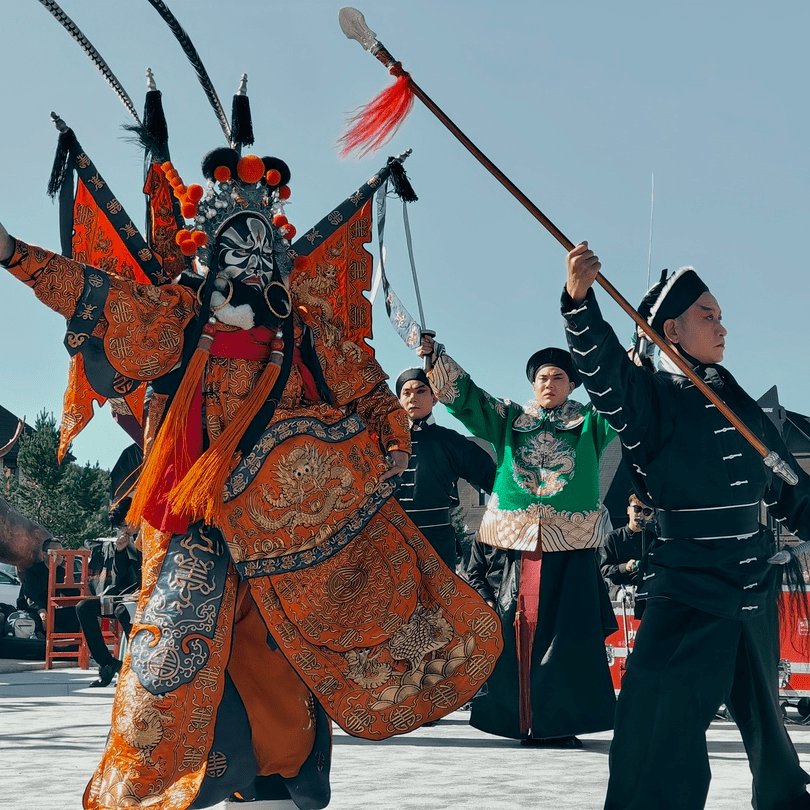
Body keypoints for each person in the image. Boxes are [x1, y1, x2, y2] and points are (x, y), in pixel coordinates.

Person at [0, 147, 501, 810]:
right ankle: (189, 767)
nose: (251, 259)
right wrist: (13, 252)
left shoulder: (305, 327)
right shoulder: (177, 315)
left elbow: (367, 387)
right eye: (237, 245)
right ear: (210, 253)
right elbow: (98, 294)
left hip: (294, 520)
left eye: (263, 246)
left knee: (283, 645)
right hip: (198, 518)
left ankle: (281, 766)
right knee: (176, 645)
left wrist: (392, 434)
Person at [563, 241, 810, 809]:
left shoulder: (738, 399)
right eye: (708, 316)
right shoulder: (647, 399)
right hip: (688, 584)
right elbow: (606, 378)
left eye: (721, 316)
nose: (723, 327)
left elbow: (790, 488)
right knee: (657, 716)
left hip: (753, 580)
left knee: (770, 732)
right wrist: (579, 305)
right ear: (670, 330)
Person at [419, 336, 617, 748]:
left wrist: (636, 351)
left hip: (572, 542)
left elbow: (621, 397)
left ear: (573, 385)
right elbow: (468, 398)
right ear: (532, 384)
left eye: (558, 377)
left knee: (568, 635)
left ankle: (559, 723)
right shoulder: (508, 417)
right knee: (514, 628)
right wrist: (435, 358)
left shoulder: (590, 422)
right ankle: (518, 720)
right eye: (542, 377)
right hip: (513, 541)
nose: (549, 383)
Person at [394, 367, 496, 571]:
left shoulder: (450, 441)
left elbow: (492, 477)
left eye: (421, 390)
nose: (413, 397)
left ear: (434, 398)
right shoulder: (383, 442)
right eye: (406, 393)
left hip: (437, 544)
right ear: (399, 400)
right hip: (391, 542)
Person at [76, 498, 141, 688]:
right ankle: (107, 663)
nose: (124, 529)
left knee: (123, 610)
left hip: (153, 595)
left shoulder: (153, 533)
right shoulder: (127, 540)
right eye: (121, 526)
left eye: (124, 524)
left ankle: (137, 668)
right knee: (84, 607)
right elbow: (120, 574)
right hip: (130, 594)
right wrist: (120, 551)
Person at [600, 492, 658, 616]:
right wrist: (625, 567)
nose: (640, 515)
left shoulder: (653, 540)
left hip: (647, 591)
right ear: (628, 510)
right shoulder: (613, 537)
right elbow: (604, 569)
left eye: (646, 512)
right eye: (637, 509)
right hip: (621, 591)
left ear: (651, 516)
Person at [17, 537, 79, 636]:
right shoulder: (33, 572)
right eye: (54, 551)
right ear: (44, 554)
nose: (58, 555)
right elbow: (29, 596)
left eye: (60, 552)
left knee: (79, 612)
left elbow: (72, 592)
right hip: (32, 611)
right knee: (35, 622)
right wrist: (41, 611)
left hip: (52, 611)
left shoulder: (61, 572)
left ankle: (69, 646)